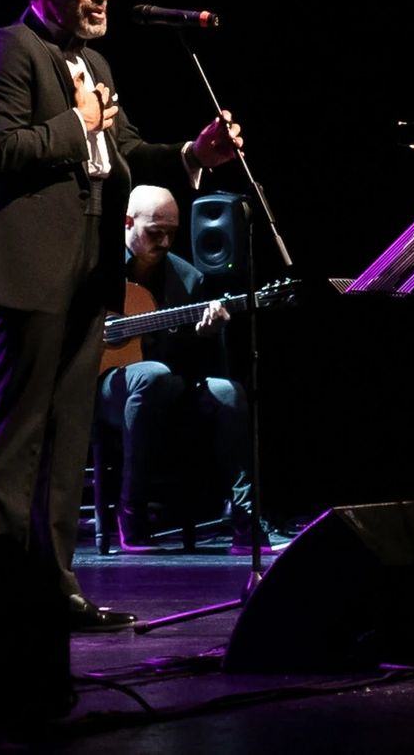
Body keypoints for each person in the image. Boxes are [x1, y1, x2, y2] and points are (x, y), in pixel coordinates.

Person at [0, 0, 241, 632]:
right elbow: (0, 153)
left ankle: (56, 590)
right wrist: (75, 122)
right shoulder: (8, 49)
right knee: (18, 435)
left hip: (90, 272)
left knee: (67, 443)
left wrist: (193, 153)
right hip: (30, 270)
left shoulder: (97, 63)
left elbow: (127, 152)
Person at [97, 185, 277, 553]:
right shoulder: (97, 268)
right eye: (155, 232)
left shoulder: (189, 279)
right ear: (128, 222)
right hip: (104, 389)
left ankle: (245, 520)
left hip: (168, 389)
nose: (165, 242)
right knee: (152, 375)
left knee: (228, 392)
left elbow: (195, 363)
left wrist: (205, 334)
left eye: (172, 233)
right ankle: (132, 511)